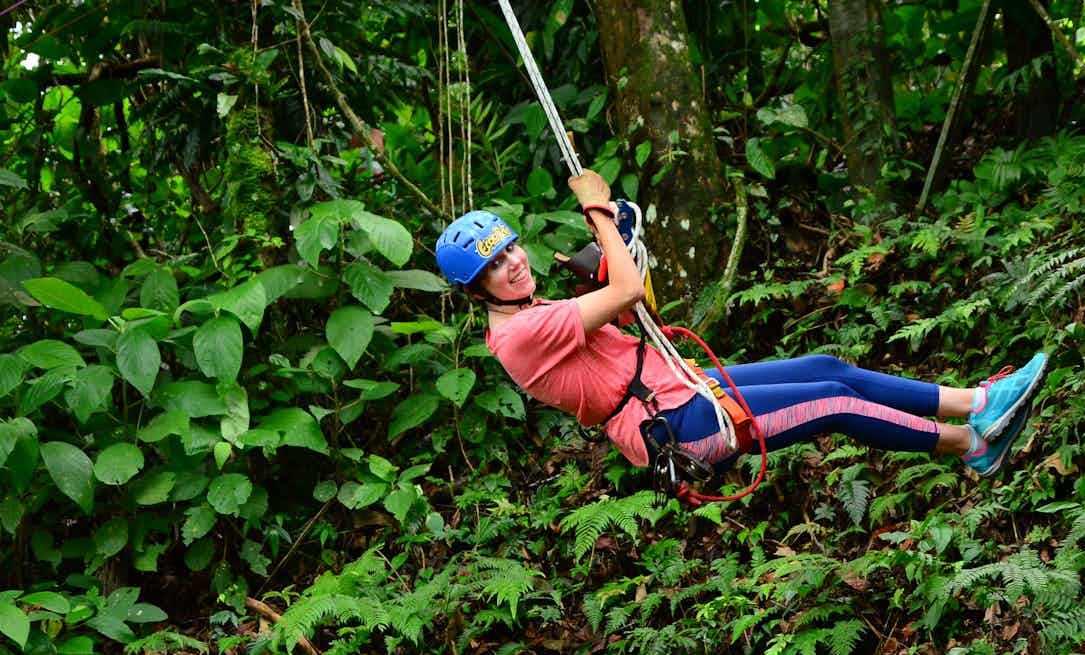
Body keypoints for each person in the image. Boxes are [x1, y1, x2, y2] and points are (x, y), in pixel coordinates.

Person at [433, 170, 1048, 480]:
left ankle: (979, 400)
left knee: (825, 371)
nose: (513, 265)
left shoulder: (533, 310)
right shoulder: (517, 334)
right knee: (831, 402)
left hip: (682, 387)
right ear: (474, 288)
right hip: (679, 423)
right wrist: (596, 210)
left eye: (511, 250)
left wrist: (618, 238)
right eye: (494, 265)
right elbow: (623, 289)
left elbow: (628, 306)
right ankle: (974, 444)